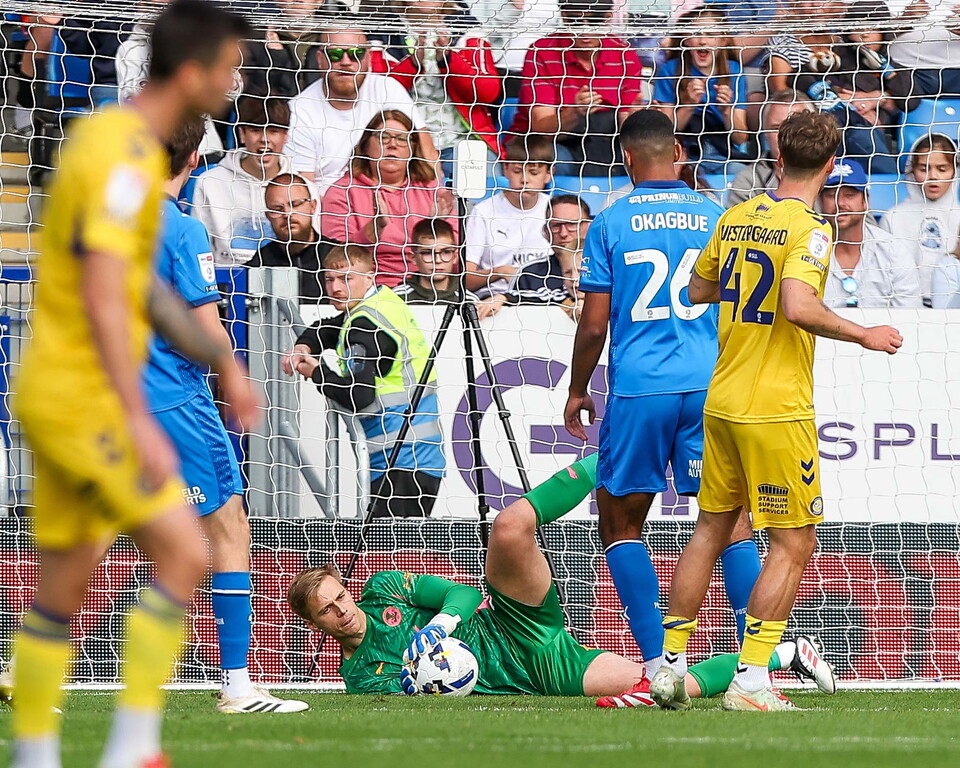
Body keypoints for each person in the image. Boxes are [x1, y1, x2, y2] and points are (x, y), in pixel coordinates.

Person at [8, 3, 258, 767]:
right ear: (194, 72)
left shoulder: (130, 154)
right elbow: (105, 294)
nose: (237, 81)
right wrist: (137, 413)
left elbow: (144, 293)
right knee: (184, 549)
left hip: (60, 390)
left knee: (66, 583)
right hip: (82, 395)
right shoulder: (121, 153)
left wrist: (223, 362)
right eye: (230, 67)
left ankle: (37, 752)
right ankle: (133, 746)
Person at [650, 111, 902, 713]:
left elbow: (696, 290)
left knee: (711, 529)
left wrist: (743, 288)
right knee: (794, 542)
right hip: (774, 408)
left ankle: (668, 666)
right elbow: (797, 305)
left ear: (779, 157)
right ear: (832, 166)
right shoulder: (810, 230)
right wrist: (863, 333)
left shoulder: (736, 216)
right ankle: (752, 679)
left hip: (722, 399)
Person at [285, 454, 837, 700]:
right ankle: (783, 654)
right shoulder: (359, 676)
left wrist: (441, 626)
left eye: (339, 595)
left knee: (508, 527)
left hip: (512, 623)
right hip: (537, 672)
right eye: (327, 610)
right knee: (663, 689)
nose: (342, 609)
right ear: (316, 627)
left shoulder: (383, 588)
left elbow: (464, 592)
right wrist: (427, 675)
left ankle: (608, 459)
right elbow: (419, 696)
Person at [562, 110, 760, 709]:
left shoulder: (610, 221)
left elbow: (594, 323)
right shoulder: (717, 216)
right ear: (678, 152)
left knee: (621, 523)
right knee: (730, 519)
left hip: (641, 389)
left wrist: (577, 388)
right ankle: (758, 669)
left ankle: (657, 669)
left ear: (626, 158)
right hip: (709, 386)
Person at [146, 116, 308, 715]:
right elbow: (206, 325)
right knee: (228, 526)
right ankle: (237, 685)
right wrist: (234, 380)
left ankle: (25, 663)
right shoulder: (183, 229)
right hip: (174, 398)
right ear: (194, 160)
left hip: (111, 399)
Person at [284, 245, 445, 517]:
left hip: (400, 461)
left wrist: (317, 373)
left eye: (346, 278)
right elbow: (330, 328)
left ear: (370, 277)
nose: (335, 287)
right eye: (329, 279)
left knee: (387, 545)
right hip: (417, 458)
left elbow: (358, 395)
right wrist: (304, 345)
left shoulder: (364, 324)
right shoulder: (382, 301)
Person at [283, 27, 439, 193]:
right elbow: (304, 190)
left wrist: (435, 196)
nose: (345, 62)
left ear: (368, 58)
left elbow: (427, 154)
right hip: (328, 203)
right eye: (335, 54)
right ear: (320, 59)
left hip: (394, 197)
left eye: (356, 53)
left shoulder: (388, 89)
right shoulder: (299, 111)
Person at [320, 109, 457, 287]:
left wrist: (435, 228)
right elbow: (335, 260)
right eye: (383, 137)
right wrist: (373, 229)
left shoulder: (433, 190)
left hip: (428, 287)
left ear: (413, 148)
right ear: (366, 146)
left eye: (401, 139)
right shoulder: (341, 192)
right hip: (370, 290)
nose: (392, 145)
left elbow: (457, 259)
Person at [761, 0, 900, 174]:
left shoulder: (843, 42)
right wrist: (842, 103)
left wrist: (871, 101)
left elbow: (876, 92)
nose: (815, 5)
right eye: (809, 0)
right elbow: (784, 97)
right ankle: (887, 179)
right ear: (795, 4)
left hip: (852, 120)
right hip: (809, 126)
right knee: (858, 133)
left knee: (863, 131)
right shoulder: (783, 43)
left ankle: (882, 182)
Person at [369, 0, 503, 178]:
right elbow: (376, 95)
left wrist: (447, 60)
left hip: (464, 142)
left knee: (486, 189)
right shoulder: (383, 32)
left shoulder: (467, 28)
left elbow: (488, 93)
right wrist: (413, 64)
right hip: (405, 145)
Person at [510, 0, 645, 176]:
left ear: (608, 17)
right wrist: (575, 112)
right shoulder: (541, 53)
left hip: (607, 140)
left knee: (644, 155)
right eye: (575, 21)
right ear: (564, 17)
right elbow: (541, 129)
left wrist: (635, 117)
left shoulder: (625, 55)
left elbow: (626, 124)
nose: (584, 30)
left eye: (594, 21)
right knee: (550, 161)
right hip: (552, 142)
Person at [192, 95, 293, 265]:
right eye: (255, 130)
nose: (264, 139)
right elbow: (199, 250)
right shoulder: (209, 182)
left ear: (286, 136)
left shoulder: (301, 188)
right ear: (242, 134)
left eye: (273, 131)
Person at [651, 7, 751, 174]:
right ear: (686, 39)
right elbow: (667, 131)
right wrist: (689, 105)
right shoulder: (669, 70)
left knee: (744, 174)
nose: (703, 41)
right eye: (697, 34)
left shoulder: (735, 71)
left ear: (723, 41)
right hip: (682, 155)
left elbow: (740, 138)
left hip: (723, 154)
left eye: (710, 35)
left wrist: (727, 110)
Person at [819, 160, 923, 309]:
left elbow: (910, 314)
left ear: (866, 201)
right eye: (831, 195)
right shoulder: (806, 248)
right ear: (820, 201)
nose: (840, 203)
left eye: (849, 195)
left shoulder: (893, 251)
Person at [464, 136, 554, 302]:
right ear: (505, 169)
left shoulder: (555, 210)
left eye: (534, 173)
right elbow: (465, 279)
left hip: (546, 298)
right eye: (517, 171)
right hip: (492, 301)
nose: (525, 179)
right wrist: (499, 272)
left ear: (549, 174)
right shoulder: (483, 211)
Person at [880, 135, 960, 307]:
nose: (933, 176)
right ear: (911, 170)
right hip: (903, 307)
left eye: (942, 169)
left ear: (955, 171)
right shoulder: (893, 217)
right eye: (924, 169)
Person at [501, 194, 590, 318]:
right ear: (546, 232)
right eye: (556, 226)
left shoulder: (609, 269)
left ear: (590, 227)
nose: (563, 233)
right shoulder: (528, 274)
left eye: (571, 224)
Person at [247, 172, 330, 302]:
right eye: (277, 209)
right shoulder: (259, 264)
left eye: (295, 204)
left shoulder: (337, 256)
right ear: (268, 216)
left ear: (313, 206)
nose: (287, 214)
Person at [394, 217, 496, 318]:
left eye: (446, 252)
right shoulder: (397, 298)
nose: (438, 260)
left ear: (455, 256)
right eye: (428, 253)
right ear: (413, 258)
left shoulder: (469, 300)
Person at [726, 90, 813, 207]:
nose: (785, 135)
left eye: (795, 127)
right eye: (776, 128)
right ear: (765, 133)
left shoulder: (831, 174)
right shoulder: (748, 180)